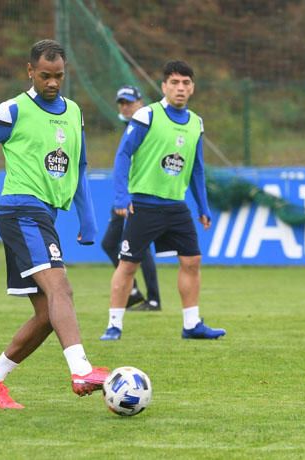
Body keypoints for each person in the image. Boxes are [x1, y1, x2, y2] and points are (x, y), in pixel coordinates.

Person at [0, 39, 108, 409]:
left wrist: (87, 215)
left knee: (48, 314)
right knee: (61, 290)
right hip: (21, 211)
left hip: (44, 214)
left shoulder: (74, 112)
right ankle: (81, 369)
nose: (52, 83)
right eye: (45, 76)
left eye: (59, 76)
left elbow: (78, 165)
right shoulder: (13, 109)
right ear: (30, 71)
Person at [100, 60, 226, 341]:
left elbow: (197, 168)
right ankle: (114, 325)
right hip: (143, 204)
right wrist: (122, 195)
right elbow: (123, 155)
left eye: (185, 83)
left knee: (192, 261)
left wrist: (203, 206)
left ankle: (191, 325)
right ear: (164, 87)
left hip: (176, 206)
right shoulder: (147, 116)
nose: (180, 88)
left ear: (192, 88)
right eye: (174, 83)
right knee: (128, 265)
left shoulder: (196, 123)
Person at [100, 85, 162, 318]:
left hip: (138, 195)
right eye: (121, 103)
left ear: (140, 102)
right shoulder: (131, 126)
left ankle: (154, 299)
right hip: (125, 194)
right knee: (109, 243)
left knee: (140, 246)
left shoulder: (150, 124)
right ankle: (134, 291)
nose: (125, 107)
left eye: (129, 102)